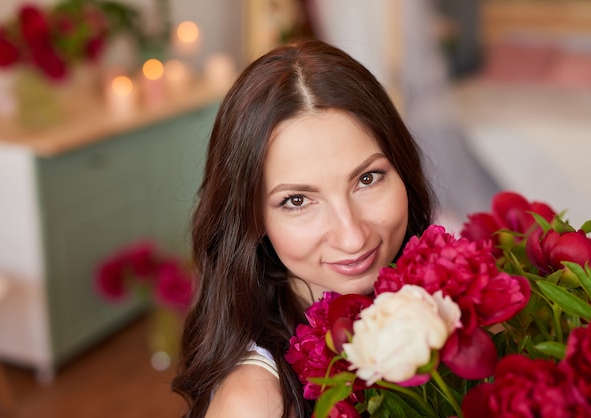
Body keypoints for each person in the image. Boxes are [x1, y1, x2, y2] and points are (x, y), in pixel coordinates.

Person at [172, 39, 435, 418]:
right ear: (253, 217)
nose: (352, 236)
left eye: (368, 178)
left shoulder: (438, 304)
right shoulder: (256, 403)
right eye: (297, 200)